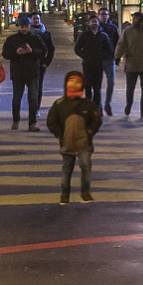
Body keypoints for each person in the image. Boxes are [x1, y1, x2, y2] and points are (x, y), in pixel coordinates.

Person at [47, 70, 105, 203]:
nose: (74, 84)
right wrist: (60, 135)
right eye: (71, 80)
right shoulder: (60, 104)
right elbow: (51, 121)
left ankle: (85, 193)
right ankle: (64, 195)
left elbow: (96, 121)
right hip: (67, 144)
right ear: (66, 83)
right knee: (67, 170)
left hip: (84, 144)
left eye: (78, 82)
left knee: (85, 166)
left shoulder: (88, 104)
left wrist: (89, 133)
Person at [3, 15, 47, 129]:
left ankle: (32, 123)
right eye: (22, 26)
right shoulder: (12, 39)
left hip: (33, 72)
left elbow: (43, 51)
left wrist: (32, 52)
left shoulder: (36, 38)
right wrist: (16, 52)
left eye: (26, 26)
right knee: (17, 97)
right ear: (19, 26)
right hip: (18, 72)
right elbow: (5, 53)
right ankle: (16, 120)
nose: (24, 29)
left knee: (33, 98)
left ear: (29, 26)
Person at [117, 10, 143, 119]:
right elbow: (121, 45)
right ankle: (129, 105)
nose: (133, 20)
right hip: (133, 64)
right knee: (131, 88)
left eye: (135, 18)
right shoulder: (128, 31)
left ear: (139, 19)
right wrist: (117, 56)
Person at [74, 14, 111, 105]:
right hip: (87, 64)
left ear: (98, 23)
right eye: (92, 21)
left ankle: (97, 106)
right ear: (89, 24)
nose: (94, 23)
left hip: (98, 64)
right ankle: (88, 105)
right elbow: (77, 48)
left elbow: (109, 49)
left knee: (97, 87)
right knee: (88, 86)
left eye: (96, 21)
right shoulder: (84, 35)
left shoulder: (103, 36)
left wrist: (101, 56)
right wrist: (85, 56)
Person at [95, 8, 120, 113]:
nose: (104, 16)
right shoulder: (96, 27)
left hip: (109, 59)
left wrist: (117, 55)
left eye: (106, 14)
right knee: (97, 84)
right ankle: (99, 105)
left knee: (111, 82)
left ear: (108, 16)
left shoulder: (113, 28)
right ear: (98, 16)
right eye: (102, 15)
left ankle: (107, 104)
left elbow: (117, 42)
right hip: (98, 60)